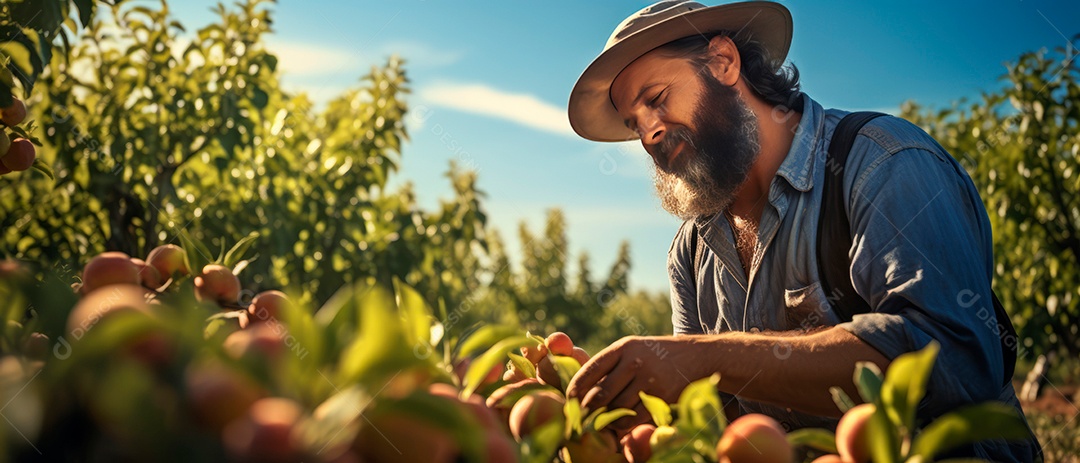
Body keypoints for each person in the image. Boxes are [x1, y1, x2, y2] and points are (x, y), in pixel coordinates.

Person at [564, 1, 1043, 461]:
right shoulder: (691, 252)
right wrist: (627, 405)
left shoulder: (880, 164)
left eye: (657, 99)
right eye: (634, 123)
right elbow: (715, 420)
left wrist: (704, 357)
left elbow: (956, 358)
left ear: (723, 62)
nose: (648, 133)